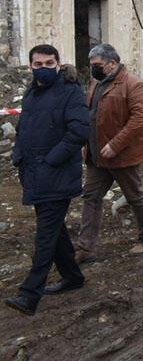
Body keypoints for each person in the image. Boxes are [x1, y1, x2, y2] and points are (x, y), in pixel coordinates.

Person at [4, 45, 89, 316]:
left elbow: (79, 131)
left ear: (58, 63)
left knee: (45, 236)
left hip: (57, 174)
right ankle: (73, 277)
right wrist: (19, 153)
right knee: (54, 230)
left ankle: (30, 295)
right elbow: (26, 127)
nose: (43, 67)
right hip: (35, 173)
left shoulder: (70, 91)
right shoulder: (32, 91)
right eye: (38, 63)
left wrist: (52, 159)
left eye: (49, 63)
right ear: (30, 66)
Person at [75, 43, 143, 263]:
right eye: (92, 65)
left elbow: (141, 118)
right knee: (91, 197)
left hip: (122, 155)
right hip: (96, 155)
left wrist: (115, 144)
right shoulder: (96, 83)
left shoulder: (132, 84)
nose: (94, 69)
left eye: (98, 65)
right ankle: (85, 247)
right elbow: (91, 113)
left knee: (134, 196)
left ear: (112, 63)